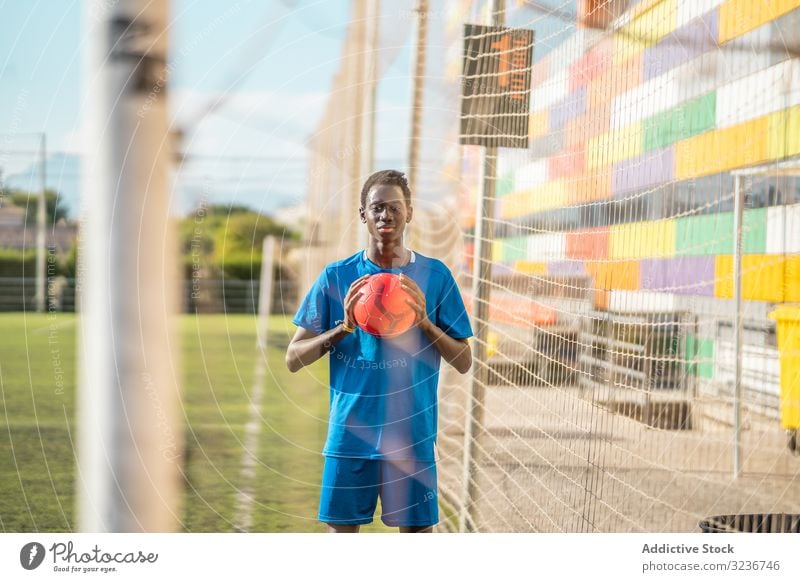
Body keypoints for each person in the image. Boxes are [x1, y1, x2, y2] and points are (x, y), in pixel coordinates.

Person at [286, 169, 473, 533]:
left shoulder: (435, 277)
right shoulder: (336, 277)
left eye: (394, 207)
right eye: (377, 208)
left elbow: (463, 360)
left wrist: (424, 324)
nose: (385, 215)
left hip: (412, 436)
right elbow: (294, 359)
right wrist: (343, 328)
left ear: (409, 213)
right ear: (363, 214)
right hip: (349, 436)